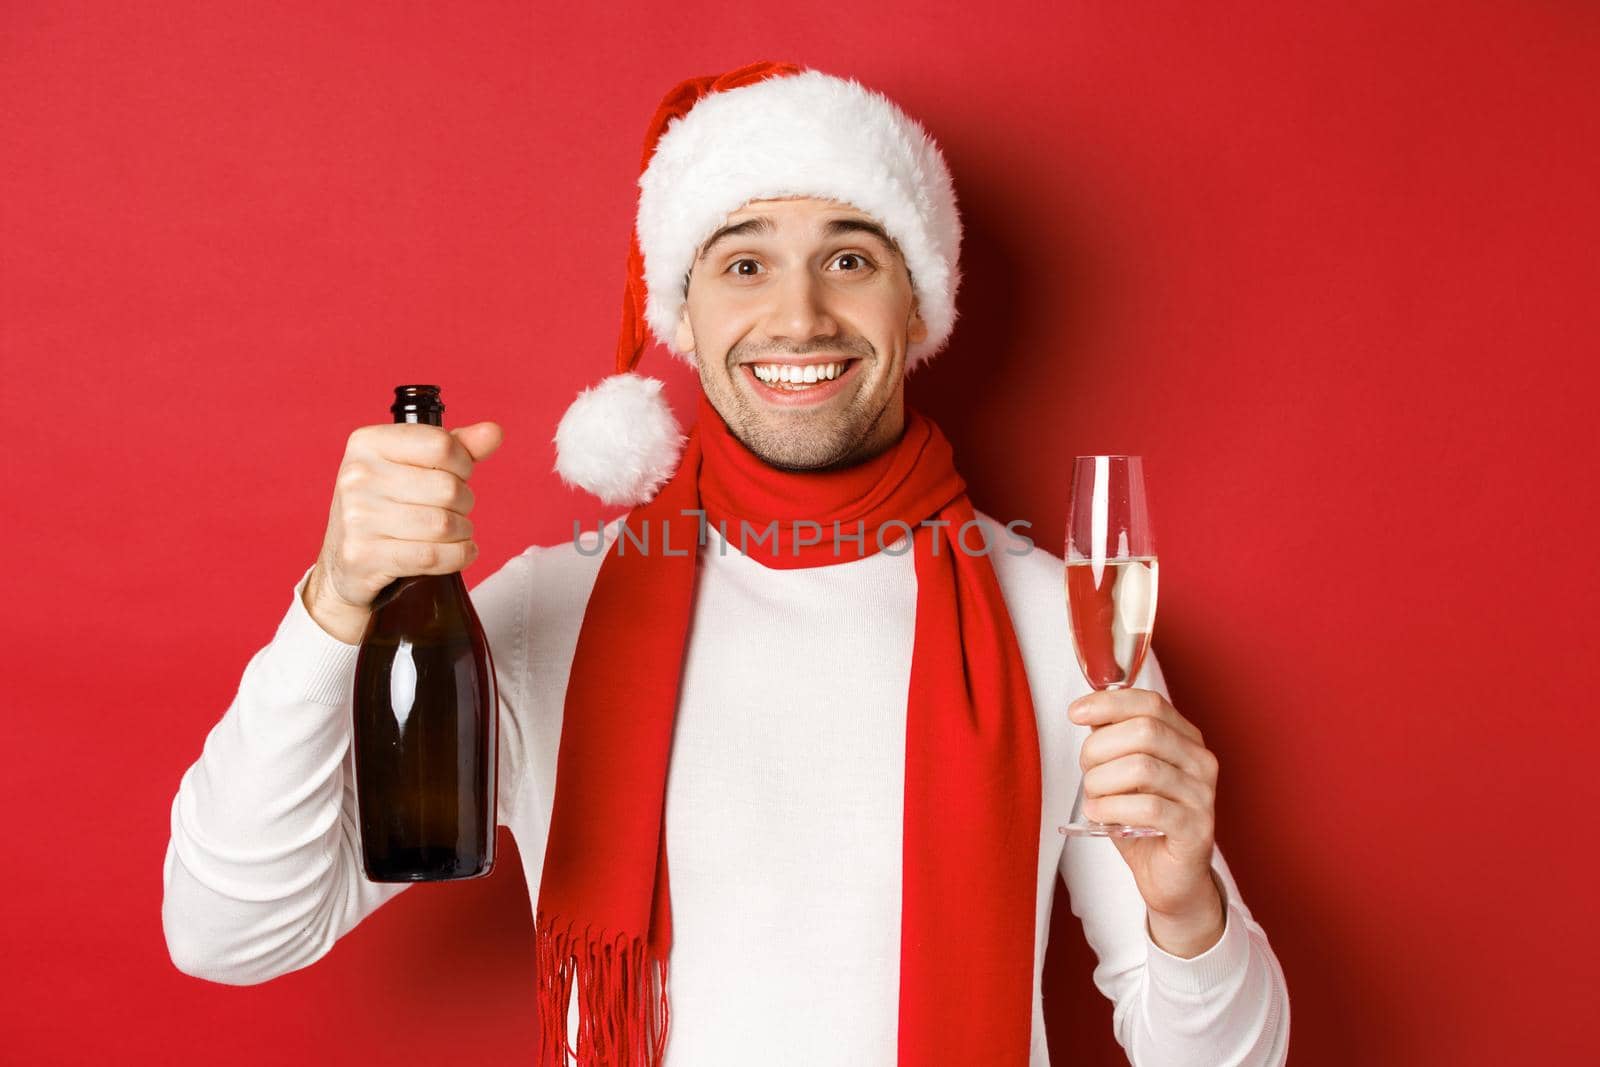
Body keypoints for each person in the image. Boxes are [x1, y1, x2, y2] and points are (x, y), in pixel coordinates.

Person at [162, 62, 1290, 1066]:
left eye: (848, 257)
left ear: (917, 303)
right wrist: (336, 600)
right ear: (683, 319)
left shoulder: (1063, 622)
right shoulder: (545, 612)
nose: (797, 316)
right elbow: (229, 932)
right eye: (743, 263)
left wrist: (1185, 907)